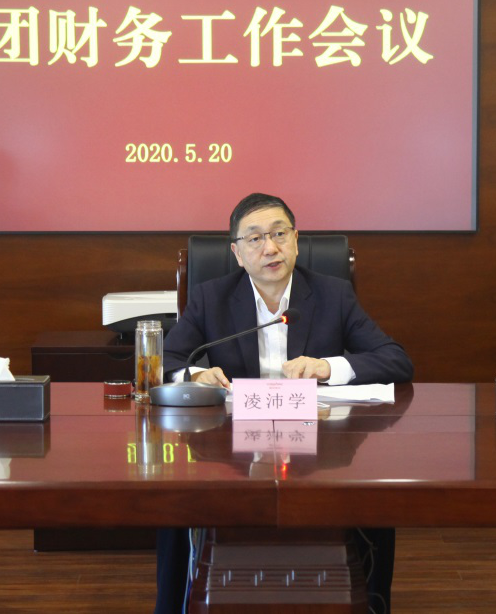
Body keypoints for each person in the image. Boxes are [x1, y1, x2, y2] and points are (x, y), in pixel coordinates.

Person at [156, 192, 413, 614]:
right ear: (237, 253)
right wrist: (196, 375)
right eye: (255, 239)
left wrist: (327, 367)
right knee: (175, 501)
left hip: (320, 445)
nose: (270, 248)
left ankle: (371, 603)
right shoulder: (210, 297)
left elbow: (396, 359)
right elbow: (165, 360)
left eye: (279, 234)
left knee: (374, 496)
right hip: (230, 449)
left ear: (295, 239)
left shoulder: (333, 294)